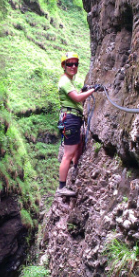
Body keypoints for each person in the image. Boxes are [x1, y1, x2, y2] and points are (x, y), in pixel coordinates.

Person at [56, 52, 98, 197]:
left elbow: (75, 96)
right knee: (68, 154)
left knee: (76, 146)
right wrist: (94, 90)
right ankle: (61, 187)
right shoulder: (65, 81)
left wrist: (83, 90)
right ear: (64, 66)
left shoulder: (68, 80)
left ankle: (75, 167)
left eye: (75, 64)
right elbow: (77, 98)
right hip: (71, 120)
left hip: (71, 119)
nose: (73, 66)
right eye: (69, 64)